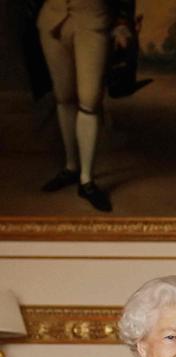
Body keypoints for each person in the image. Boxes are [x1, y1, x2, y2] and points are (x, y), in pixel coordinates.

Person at [35, 0, 134, 213]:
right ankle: (71, 167)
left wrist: (122, 22)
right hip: (52, 21)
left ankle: (86, 181)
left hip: (94, 20)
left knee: (89, 100)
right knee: (64, 97)